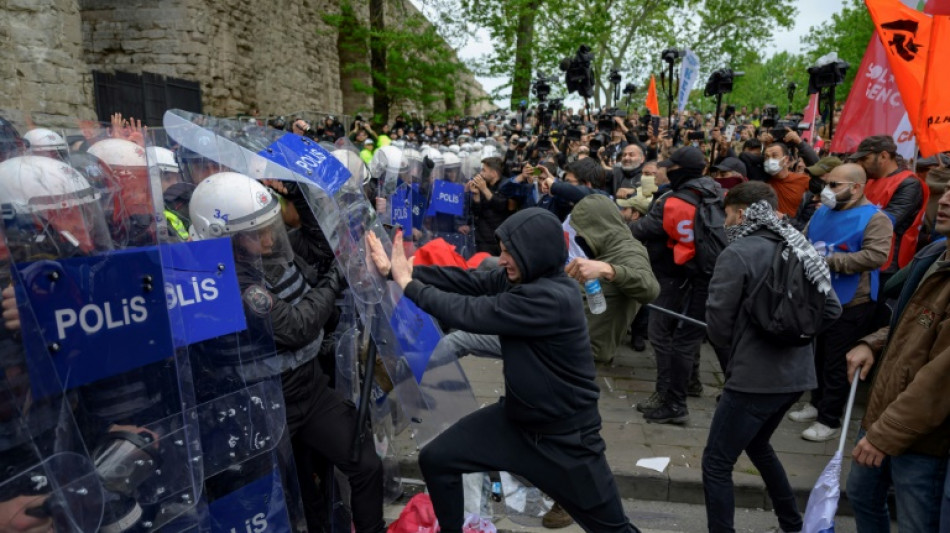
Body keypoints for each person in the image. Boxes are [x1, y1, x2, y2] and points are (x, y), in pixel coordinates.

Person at [366, 208, 641, 533]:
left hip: (566, 441)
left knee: (614, 529)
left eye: (510, 252)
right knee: (437, 459)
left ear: (535, 252)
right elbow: (469, 281)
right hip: (515, 423)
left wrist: (408, 285)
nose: (501, 260)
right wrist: (398, 272)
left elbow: (469, 312)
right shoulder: (525, 276)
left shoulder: (552, 298)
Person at [187, 172, 385, 533]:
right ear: (225, 240)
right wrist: (338, 277)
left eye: (270, 227)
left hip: (309, 388)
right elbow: (297, 326)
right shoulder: (230, 282)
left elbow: (319, 246)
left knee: (365, 463)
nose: (268, 239)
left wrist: (297, 192)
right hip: (262, 401)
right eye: (254, 233)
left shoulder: (268, 256)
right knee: (285, 496)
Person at [704, 181, 841, 533]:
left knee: (717, 462)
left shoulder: (737, 252)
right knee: (758, 445)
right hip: (796, 376)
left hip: (754, 378)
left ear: (742, 213)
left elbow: (717, 324)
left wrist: (745, 344)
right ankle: (792, 524)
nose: (724, 224)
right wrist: (795, 334)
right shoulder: (799, 245)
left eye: (728, 215)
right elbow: (831, 309)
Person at [843, 182, 950, 532]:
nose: (946, 199)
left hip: (922, 436)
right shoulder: (935, 254)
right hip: (884, 411)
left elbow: (940, 379)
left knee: (917, 522)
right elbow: (910, 323)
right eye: (946, 190)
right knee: (860, 495)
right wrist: (871, 343)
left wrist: (884, 434)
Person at [787, 164, 892, 442]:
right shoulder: (822, 211)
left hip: (851, 302)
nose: (827, 191)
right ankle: (816, 402)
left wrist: (829, 262)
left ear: (856, 188)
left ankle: (829, 418)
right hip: (818, 297)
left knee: (837, 362)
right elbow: (806, 240)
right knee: (818, 355)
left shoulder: (876, 219)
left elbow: (876, 256)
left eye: (835, 185)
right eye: (827, 184)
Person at [631, 146, 723, 424]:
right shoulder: (713, 191)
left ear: (678, 171)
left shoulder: (677, 200)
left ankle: (670, 398)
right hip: (705, 277)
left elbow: (644, 229)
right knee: (688, 336)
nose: (664, 171)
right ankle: (690, 383)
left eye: (668, 167)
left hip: (677, 276)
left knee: (663, 335)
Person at [565, 194, 660, 364]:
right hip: (576, 342)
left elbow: (650, 288)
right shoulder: (608, 245)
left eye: (583, 231)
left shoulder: (629, 250)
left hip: (587, 351)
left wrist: (608, 270)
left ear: (597, 226)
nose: (580, 237)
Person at [852, 135, 927, 278]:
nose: (860, 165)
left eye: (864, 159)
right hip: (865, 255)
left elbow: (887, 221)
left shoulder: (909, 184)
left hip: (888, 264)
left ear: (883, 156)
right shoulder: (869, 181)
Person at [467, 156, 512, 255]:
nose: (481, 174)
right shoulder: (484, 185)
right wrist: (476, 195)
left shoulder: (507, 185)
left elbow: (502, 206)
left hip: (498, 238)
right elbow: (476, 212)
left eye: (484, 170)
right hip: (482, 238)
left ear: (494, 173)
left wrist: (484, 190)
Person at [762, 142, 810, 217]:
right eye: (766, 157)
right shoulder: (763, 182)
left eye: (774, 156)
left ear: (786, 159)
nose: (769, 160)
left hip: (794, 226)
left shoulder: (803, 180)